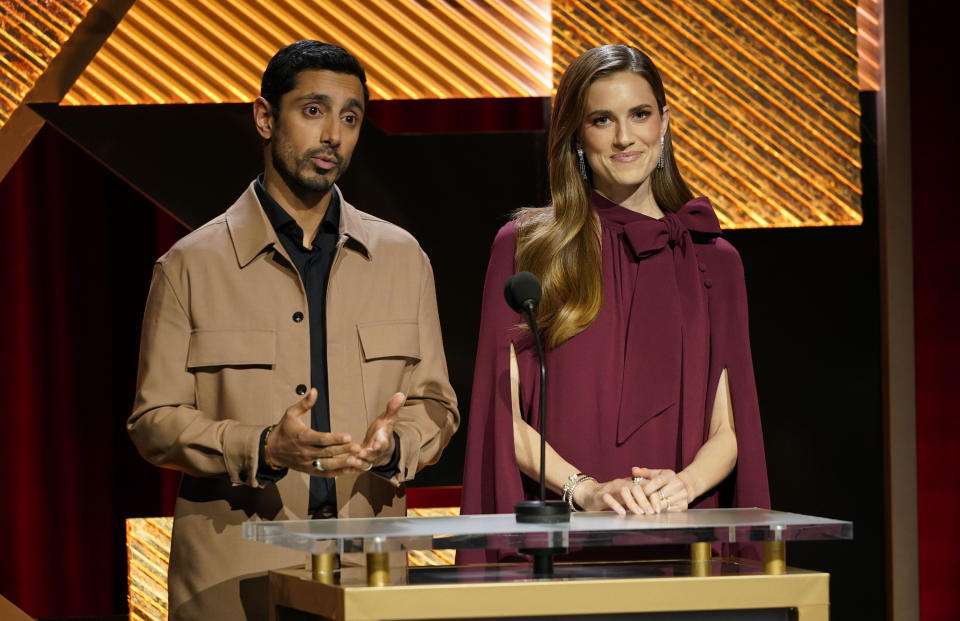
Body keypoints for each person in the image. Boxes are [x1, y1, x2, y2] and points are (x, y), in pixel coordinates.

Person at [128, 41, 459, 621]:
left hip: (370, 575)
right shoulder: (189, 265)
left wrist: (395, 447)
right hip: (235, 578)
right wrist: (261, 447)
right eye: (313, 110)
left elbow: (436, 404)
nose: (333, 133)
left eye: (350, 117)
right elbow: (153, 422)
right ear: (264, 117)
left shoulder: (404, 259)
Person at [461, 44, 769, 552]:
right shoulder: (526, 247)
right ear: (577, 136)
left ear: (664, 122)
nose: (625, 137)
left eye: (640, 115)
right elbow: (500, 418)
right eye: (602, 120)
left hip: (684, 544)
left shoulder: (715, 260)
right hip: (560, 546)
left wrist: (683, 485)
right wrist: (584, 491)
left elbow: (731, 428)